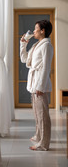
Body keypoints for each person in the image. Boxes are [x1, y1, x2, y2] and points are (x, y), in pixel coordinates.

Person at [20, 20, 53, 151]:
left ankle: (43, 144)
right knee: (37, 114)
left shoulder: (46, 46)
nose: (33, 31)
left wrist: (40, 86)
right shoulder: (36, 45)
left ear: (42, 30)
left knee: (43, 116)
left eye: (35, 29)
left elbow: (46, 67)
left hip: (40, 85)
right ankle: (39, 137)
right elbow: (24, 60)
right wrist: (23, 45)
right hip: (34, 84)